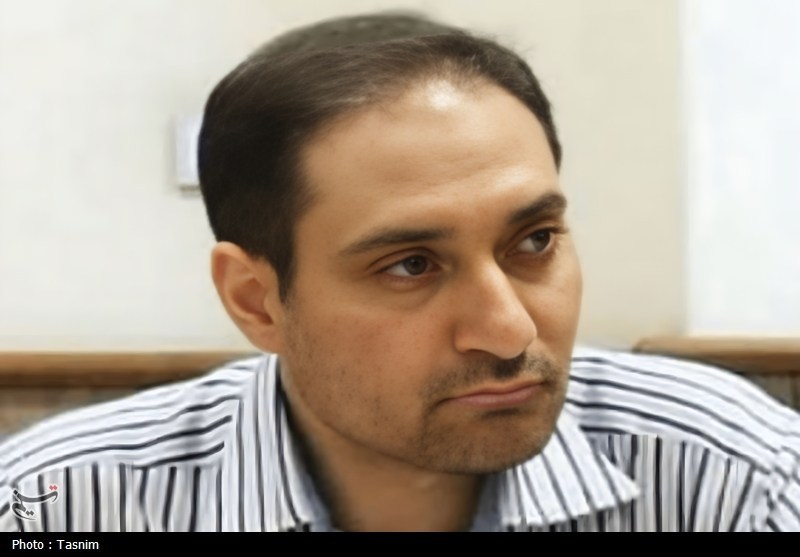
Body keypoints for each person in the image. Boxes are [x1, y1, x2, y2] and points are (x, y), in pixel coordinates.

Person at [1, 12, 798, 533]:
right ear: (256, 301)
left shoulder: (732, 479)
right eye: (411, 265)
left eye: (534, 241)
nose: (509, 329)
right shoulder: (60, 505)